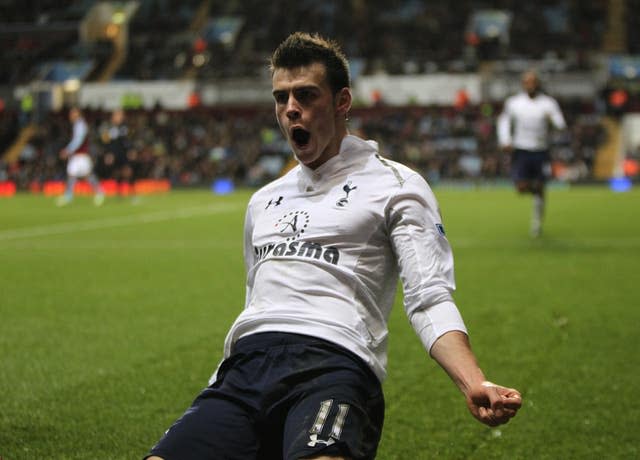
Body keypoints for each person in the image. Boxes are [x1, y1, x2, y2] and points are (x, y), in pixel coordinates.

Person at [145, 32, 522, 460]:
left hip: (332, 365)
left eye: (305, 95)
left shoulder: (396, 187)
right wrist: (221, 379)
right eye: (281, 98)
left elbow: (428, 297)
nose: (290, 109)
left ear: (342, 102)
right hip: (245, 371)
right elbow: (256, 301)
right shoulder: (263, 200)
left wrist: (473, 380)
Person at [497, 70, 567, 237]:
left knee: (541, 187)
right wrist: (505, 140)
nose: (531, 85)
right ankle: (536, 189)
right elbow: (504, 121)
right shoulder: (514, 103)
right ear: (523, 84)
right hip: (521, 149)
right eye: (528, 82)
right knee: (521, 188)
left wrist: (553, 120)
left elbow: (561, 124)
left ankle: (536, 224)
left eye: (533, 82)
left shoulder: (548, 103)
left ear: (538, 84)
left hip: (541, 150)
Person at [57, 107, 105, 206]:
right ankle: (68, 195)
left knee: (87, 175)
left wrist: (68, 150)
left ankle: (100, 192)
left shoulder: (80, 125)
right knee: (72, 174)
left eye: (73, 113)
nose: (70, 116)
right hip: (77, 155)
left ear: (78, 114)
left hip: (81, 155)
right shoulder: (77, 125)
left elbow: (78, 140)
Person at [99, 108, 138, 201]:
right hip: (114, 154)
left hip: (124, 153)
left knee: (128, 172)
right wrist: (108, 154)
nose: (120, 117)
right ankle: (119, 194)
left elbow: (128, 140)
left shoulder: (125, 127)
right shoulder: (108, 128)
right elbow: (105, 142)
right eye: (118, 115)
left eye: (121, 115)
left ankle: (133, 193)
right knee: (117, 174)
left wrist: (131, 150)